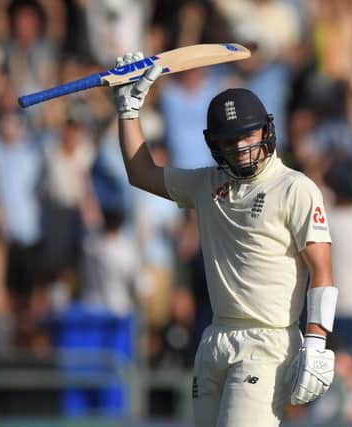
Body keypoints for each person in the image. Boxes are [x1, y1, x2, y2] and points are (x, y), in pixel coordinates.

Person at [112, 52, 338, 426]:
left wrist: (315, 342)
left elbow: (322, 270)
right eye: (230, 140)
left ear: (266, 130)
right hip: (215, 338)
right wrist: (128, 111)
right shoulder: (208, 183)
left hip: (268, 342)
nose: (241, 146)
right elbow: (141, 173)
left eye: (248, 134)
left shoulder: (294, 188)